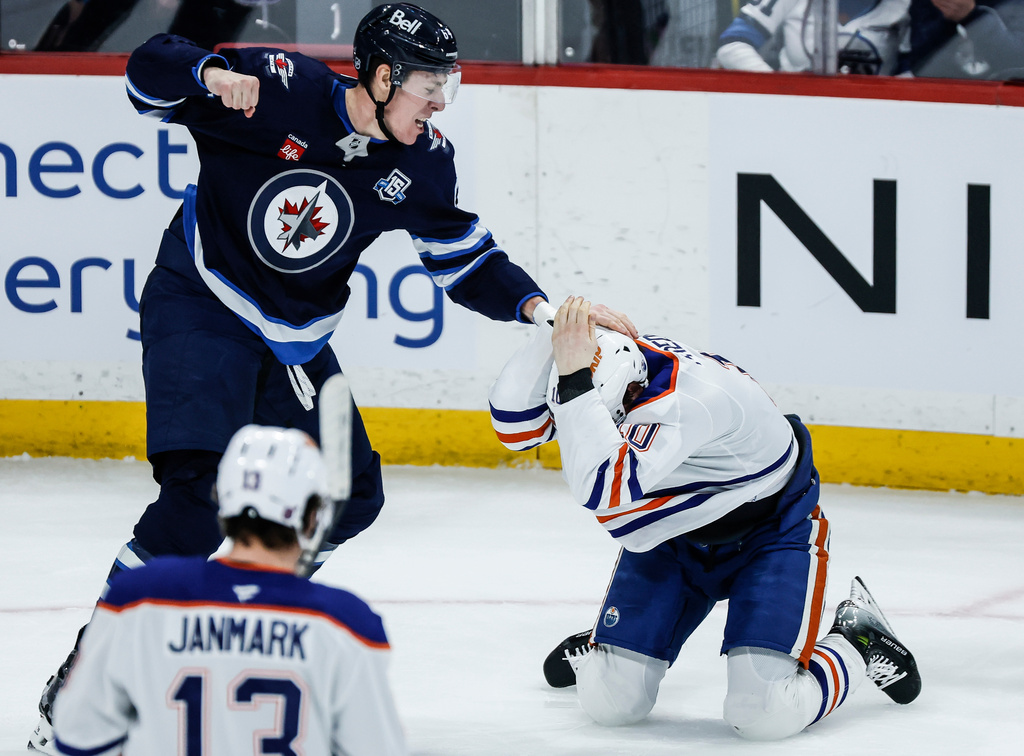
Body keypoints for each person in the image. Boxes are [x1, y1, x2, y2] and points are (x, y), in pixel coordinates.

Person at [28, 3, 636, 750]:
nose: (440, 102)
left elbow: (465, 259)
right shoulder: (278, 87)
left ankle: (245, 626)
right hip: (201, 301)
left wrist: (546, 311)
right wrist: (209, 74)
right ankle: (88, 681)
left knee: (350, 497)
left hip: (292, 342)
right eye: (426, 85)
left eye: (447, 85)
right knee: (195, 499)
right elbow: (146, 71)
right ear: (380, 77)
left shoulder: (421, 161)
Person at [487, 296, 921, 740]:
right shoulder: (614, 363)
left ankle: (856, 640)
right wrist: (553, 332)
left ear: (632, 393)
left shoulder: (686, 402)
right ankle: (614, 646)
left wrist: (577, 382)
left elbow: (606, 494)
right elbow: (515, 427)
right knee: (611, 704)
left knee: (764, 715)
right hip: (679, 533)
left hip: (770, 535)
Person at [44, 424, 407, 756]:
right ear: (316, 514)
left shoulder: (139, 598)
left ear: (221, 498)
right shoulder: (349, 624)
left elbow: (79, 735)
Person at [716, 0, 910, 75]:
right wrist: (776, 89)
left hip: (874, 120)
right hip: (793, 114)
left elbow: (916, 72)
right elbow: (732, 44)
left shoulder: (906, 7)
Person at [899, 0, 1024, 78]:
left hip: (1002, 105)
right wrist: (947, 21)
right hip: (939, 101)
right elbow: (920, 67)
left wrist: (971, 17)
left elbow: (1015, 61)